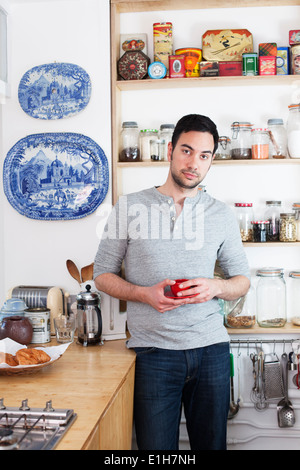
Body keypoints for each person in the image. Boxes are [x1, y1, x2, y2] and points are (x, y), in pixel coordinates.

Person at [94, 114, 250, 450]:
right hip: (153, 354)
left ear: (211, 160)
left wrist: (216, 287)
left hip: (211, 352)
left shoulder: (220, 214)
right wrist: (142, 294)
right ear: (170, 150)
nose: (194, 162)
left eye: (205, 155)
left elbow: (242, 280)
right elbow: (101, 274)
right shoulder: (130, 206)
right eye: (187, 150)